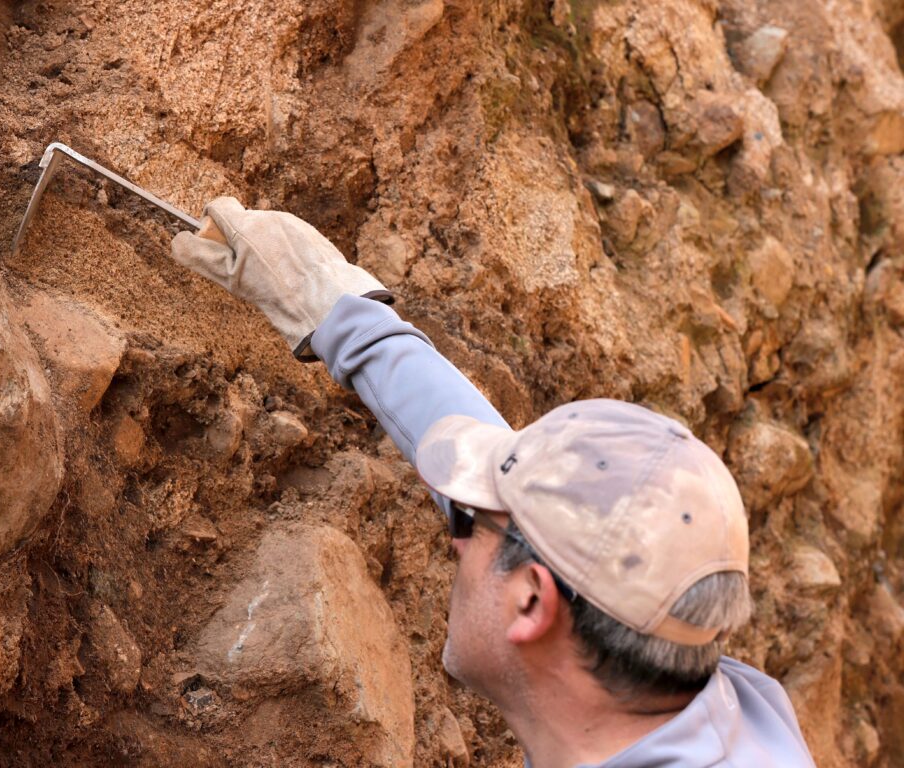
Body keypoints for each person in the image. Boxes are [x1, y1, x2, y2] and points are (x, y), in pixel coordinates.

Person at [170, 198, 816, 767]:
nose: (452, 533)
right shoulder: (731, 709)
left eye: (467, 523)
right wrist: (341, 312)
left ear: (533, 602)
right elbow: (550, 521)